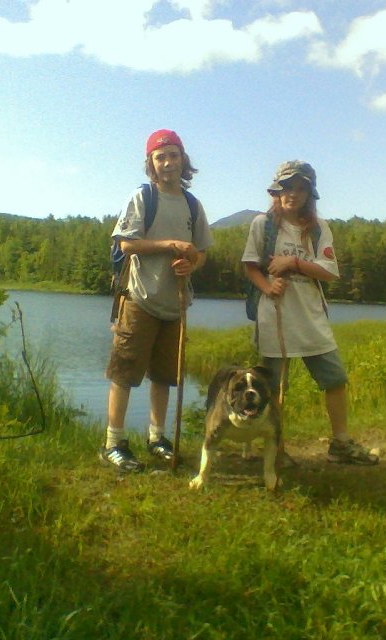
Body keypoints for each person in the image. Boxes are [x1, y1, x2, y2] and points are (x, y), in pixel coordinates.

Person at [241, 160, 378, 465]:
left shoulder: (318, 229)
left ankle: (340, 444)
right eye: (288, 187)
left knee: (335, 379)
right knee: (273, 387)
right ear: (278, 190)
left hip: (310, 315)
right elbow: (250, 266)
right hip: (273, 314)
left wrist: (293, 264)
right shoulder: (262, 225)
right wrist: (266, 287)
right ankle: (273, 447)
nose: (294, 193)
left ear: (309, 193)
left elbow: (330, 272)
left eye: (301, 188)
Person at [100, 129, 214, 472]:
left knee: (164, 375)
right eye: (160, 157)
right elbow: (127, 245)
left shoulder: (193, 205)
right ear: (151, 163)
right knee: (124, 372)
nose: (167, 163)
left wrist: (191, 262)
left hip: (175, 303)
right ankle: (113, 443)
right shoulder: (143, 197)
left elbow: (203, 252)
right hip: (139, 298)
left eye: (173, 155)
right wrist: (168, 246)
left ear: (183, 160)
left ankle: (157, 438)